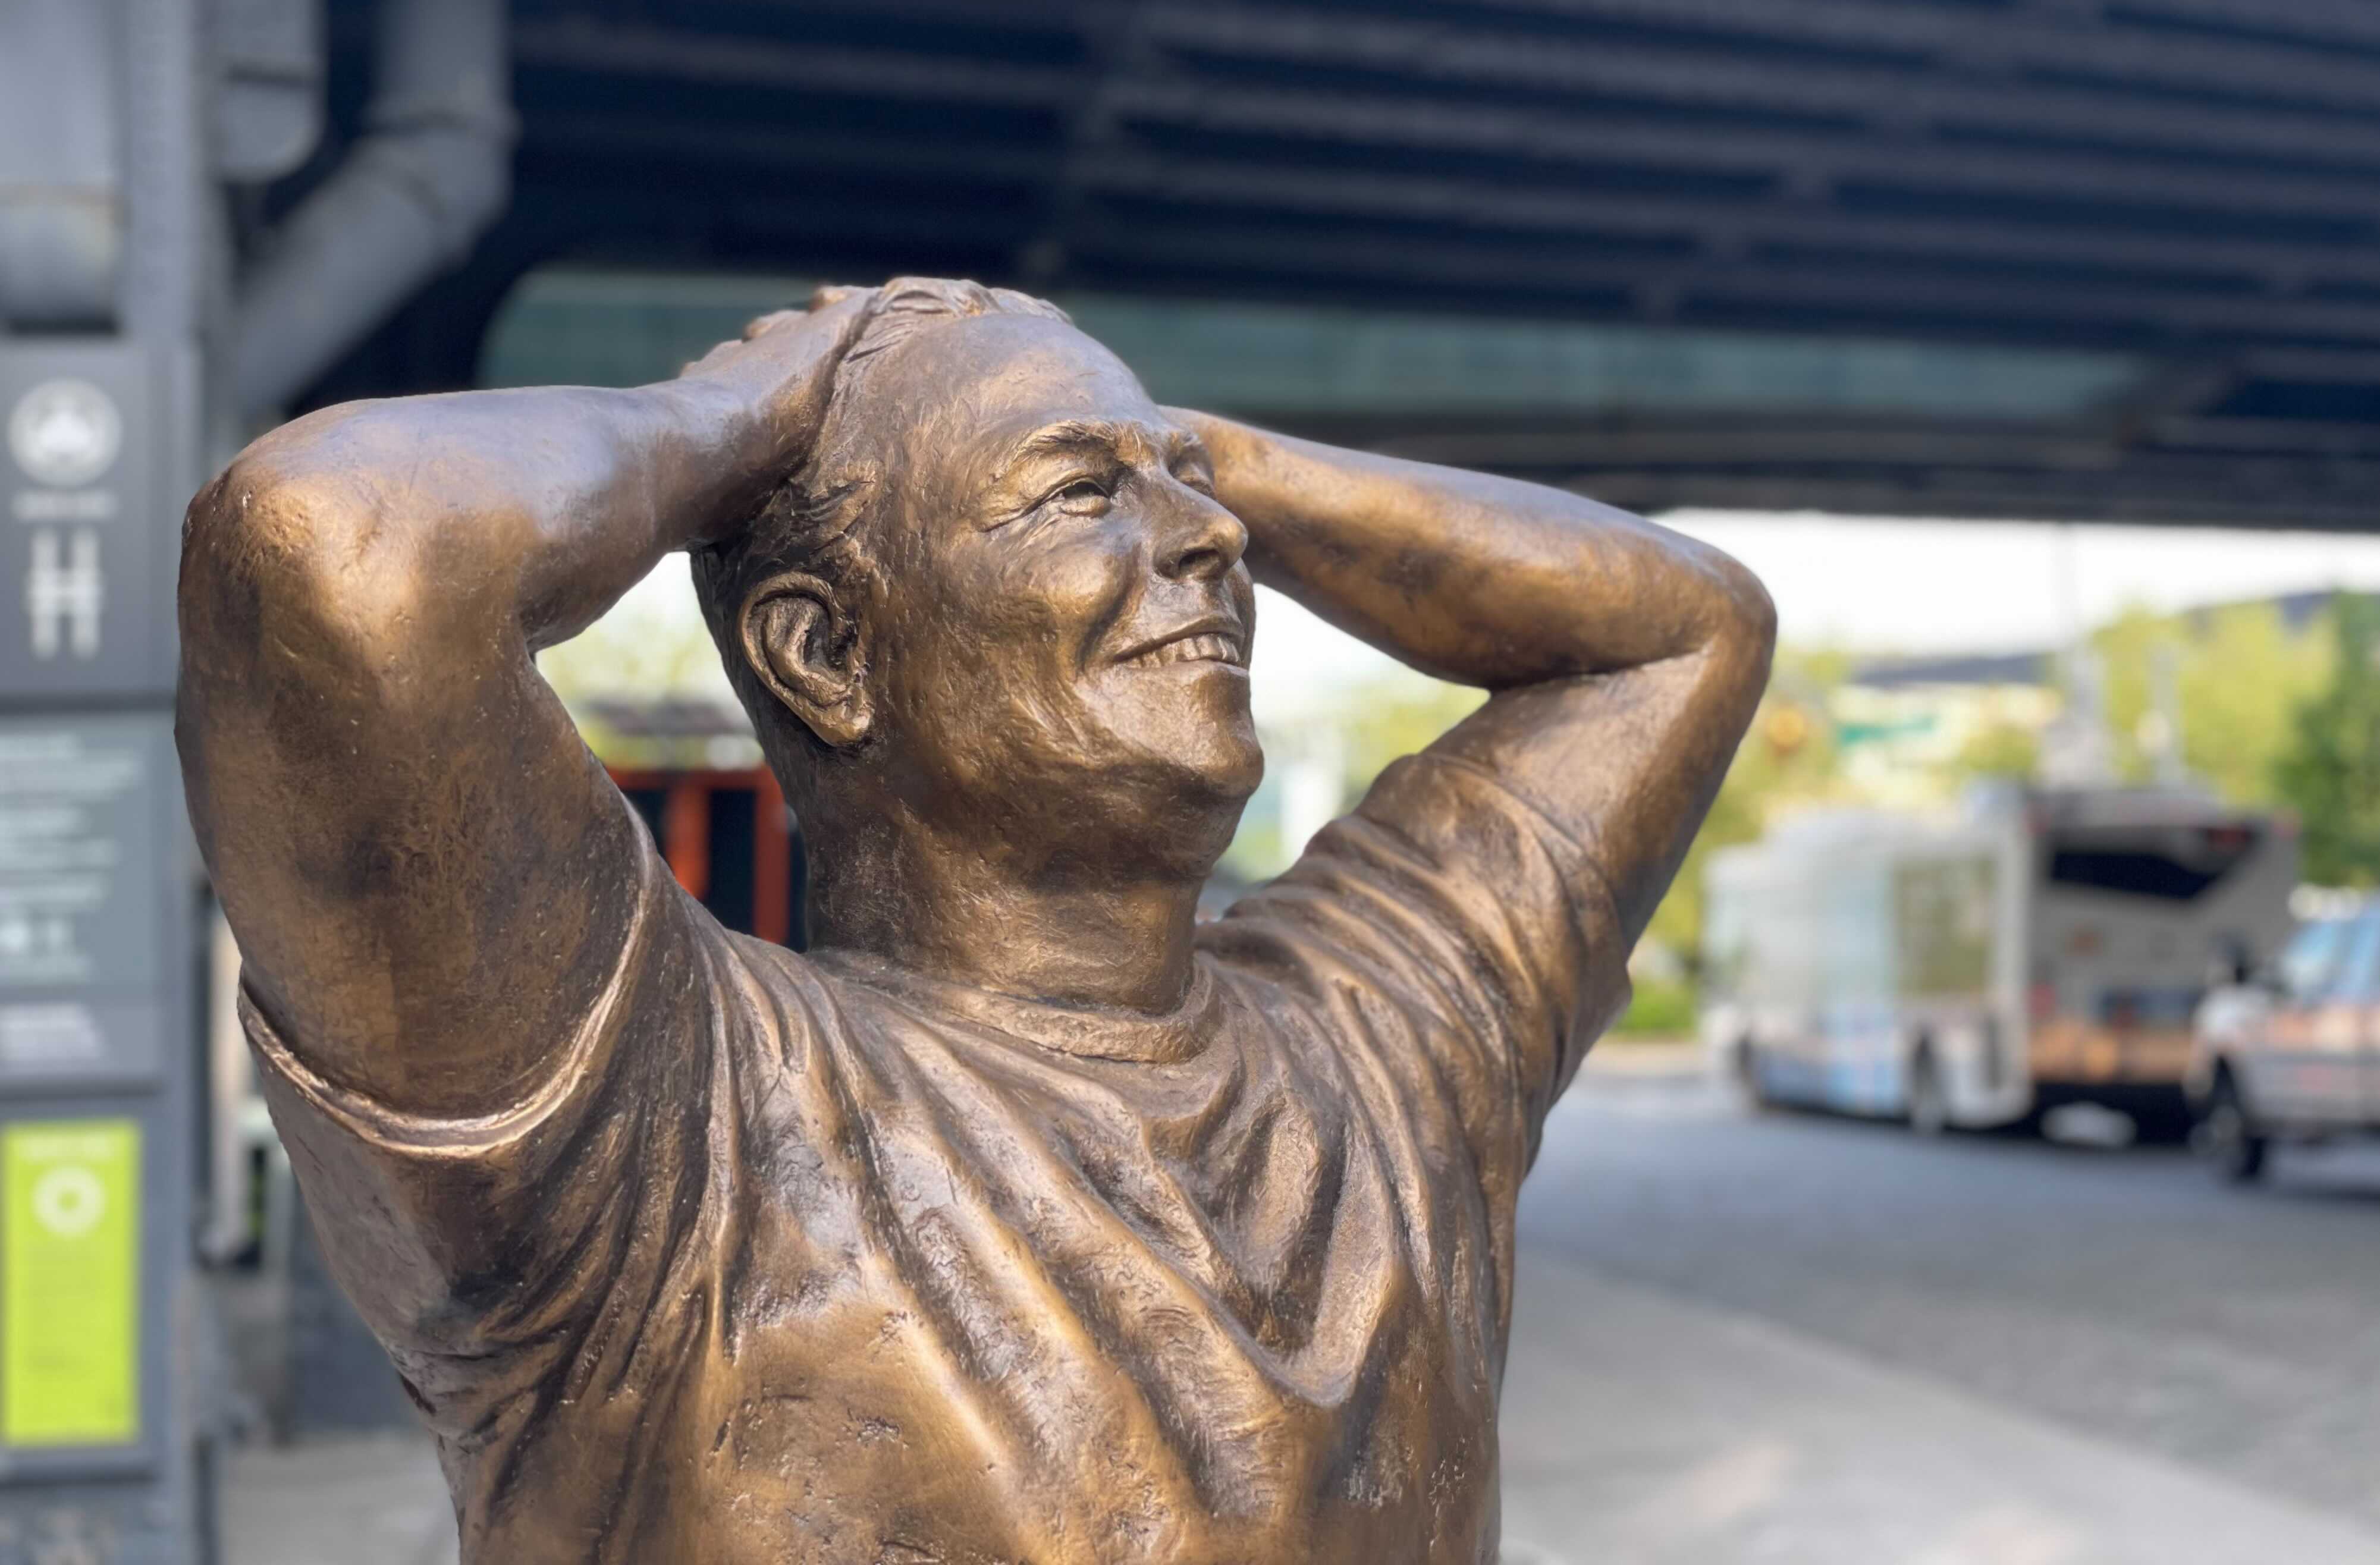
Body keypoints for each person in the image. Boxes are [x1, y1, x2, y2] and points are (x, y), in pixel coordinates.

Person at [178, 277, 1773, 1565]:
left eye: (1191, 496)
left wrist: (1181, 450)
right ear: (826, 657)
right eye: (1074, 493)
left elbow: (1677, 634)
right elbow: (329, 553)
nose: (1212, 546)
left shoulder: (1386, 1041)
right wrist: (736, 418)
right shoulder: (675, 1119)